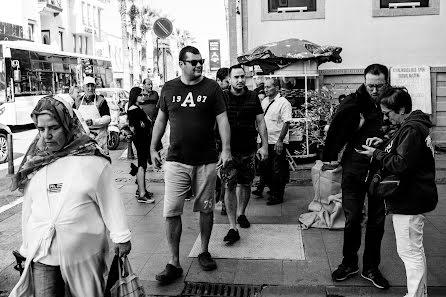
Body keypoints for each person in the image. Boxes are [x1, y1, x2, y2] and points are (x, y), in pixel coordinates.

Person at [9, 95, 131, 297]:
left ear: (67, 125)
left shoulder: (93, 160)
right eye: (41, 129)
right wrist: (26, 246)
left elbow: (110, 200)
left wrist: (121, 236)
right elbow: (28, 209)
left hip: (83, 256)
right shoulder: (36, 162)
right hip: (43, 256)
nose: (46, 135)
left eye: (53, 128)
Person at [150, 46, 232, 284]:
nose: (199, 65)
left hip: (206, 161)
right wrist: (153, 147)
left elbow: (223, 119)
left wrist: (226, 149)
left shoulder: (212, 88)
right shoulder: (169, 87)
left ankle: (204, 250)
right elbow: (161, 119)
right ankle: (174, 262)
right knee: (172, 211)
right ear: (182, 64)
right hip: (176, 161)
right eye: (193, 62)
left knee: (206, 208)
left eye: (201, 61)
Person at [357, 87, 437, 297]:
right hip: (413, 196)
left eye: (388, 113)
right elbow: (405, 152)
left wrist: (377, 154)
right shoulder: (414, 126)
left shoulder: (411, 129)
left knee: (410, 252)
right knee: (414, 251)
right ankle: (419, 293)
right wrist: (383, 145)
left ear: (401, 109)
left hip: (409, 198)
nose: (386, 117)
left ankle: (416, 295)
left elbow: (401, 164)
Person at [323, 64, 390, 289]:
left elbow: (400, 131)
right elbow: (335, 131)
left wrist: (386, 143)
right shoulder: (352, 103)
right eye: (370, 85)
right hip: (353, 170)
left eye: (379, 86)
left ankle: (371, 267)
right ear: (364, 82)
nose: (374, 90)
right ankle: (349, 262)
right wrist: (329, 157)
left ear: (386, 83)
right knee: (352, 219)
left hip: (379, 171)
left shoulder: (391, 103)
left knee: (377, 221)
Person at [220, 65, 268, 243]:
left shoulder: (253, 96)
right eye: (236, 77)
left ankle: (241, 214)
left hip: (248, 150)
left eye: (242, 77)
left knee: (246, 183)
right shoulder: (222, 97)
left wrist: (264, 146)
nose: (240, 80)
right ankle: (232, 227)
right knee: (229, 186)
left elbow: (261, 122)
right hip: (228, 152)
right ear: (230, 79)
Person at [256, 78, 292, 206]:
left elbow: (286, 122)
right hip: (265, 140)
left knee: (278, 169)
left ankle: (278, 195)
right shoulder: (265, 101)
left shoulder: (284, 103)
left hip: (277, 141)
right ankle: (272, 190)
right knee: (266, 167)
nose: (266, 89)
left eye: (268, 87)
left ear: (276, 88)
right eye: (265, 87)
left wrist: (280, 140)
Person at [127, 86, 156, 203]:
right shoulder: (134, 110)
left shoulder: (135, 108)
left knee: (142, 164)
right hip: (141, 139)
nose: (143, 96)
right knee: (142, 165)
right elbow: (140, 125)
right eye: (140, 95)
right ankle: (142, 194)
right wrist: (146, 121)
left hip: (140, 139)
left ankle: (141, 189)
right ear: (135, 97)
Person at [77, 76, 111, 154]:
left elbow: (108, 118)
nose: (90, 88)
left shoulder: (101, 101)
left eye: (92, 86)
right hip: (84, 139)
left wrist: (93, 122)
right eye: (88, 86)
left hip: (99, 138)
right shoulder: (78, 101)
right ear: (83, 87)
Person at [215, 67, 230, 215]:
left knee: (223, 173)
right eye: (227, 81)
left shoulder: (225, 95)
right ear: (219, 81)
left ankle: (223, 201)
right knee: (220, 173)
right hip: (215, 141)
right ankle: (221, 201)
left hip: (220, 141)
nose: (229, 83)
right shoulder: (218, 95)